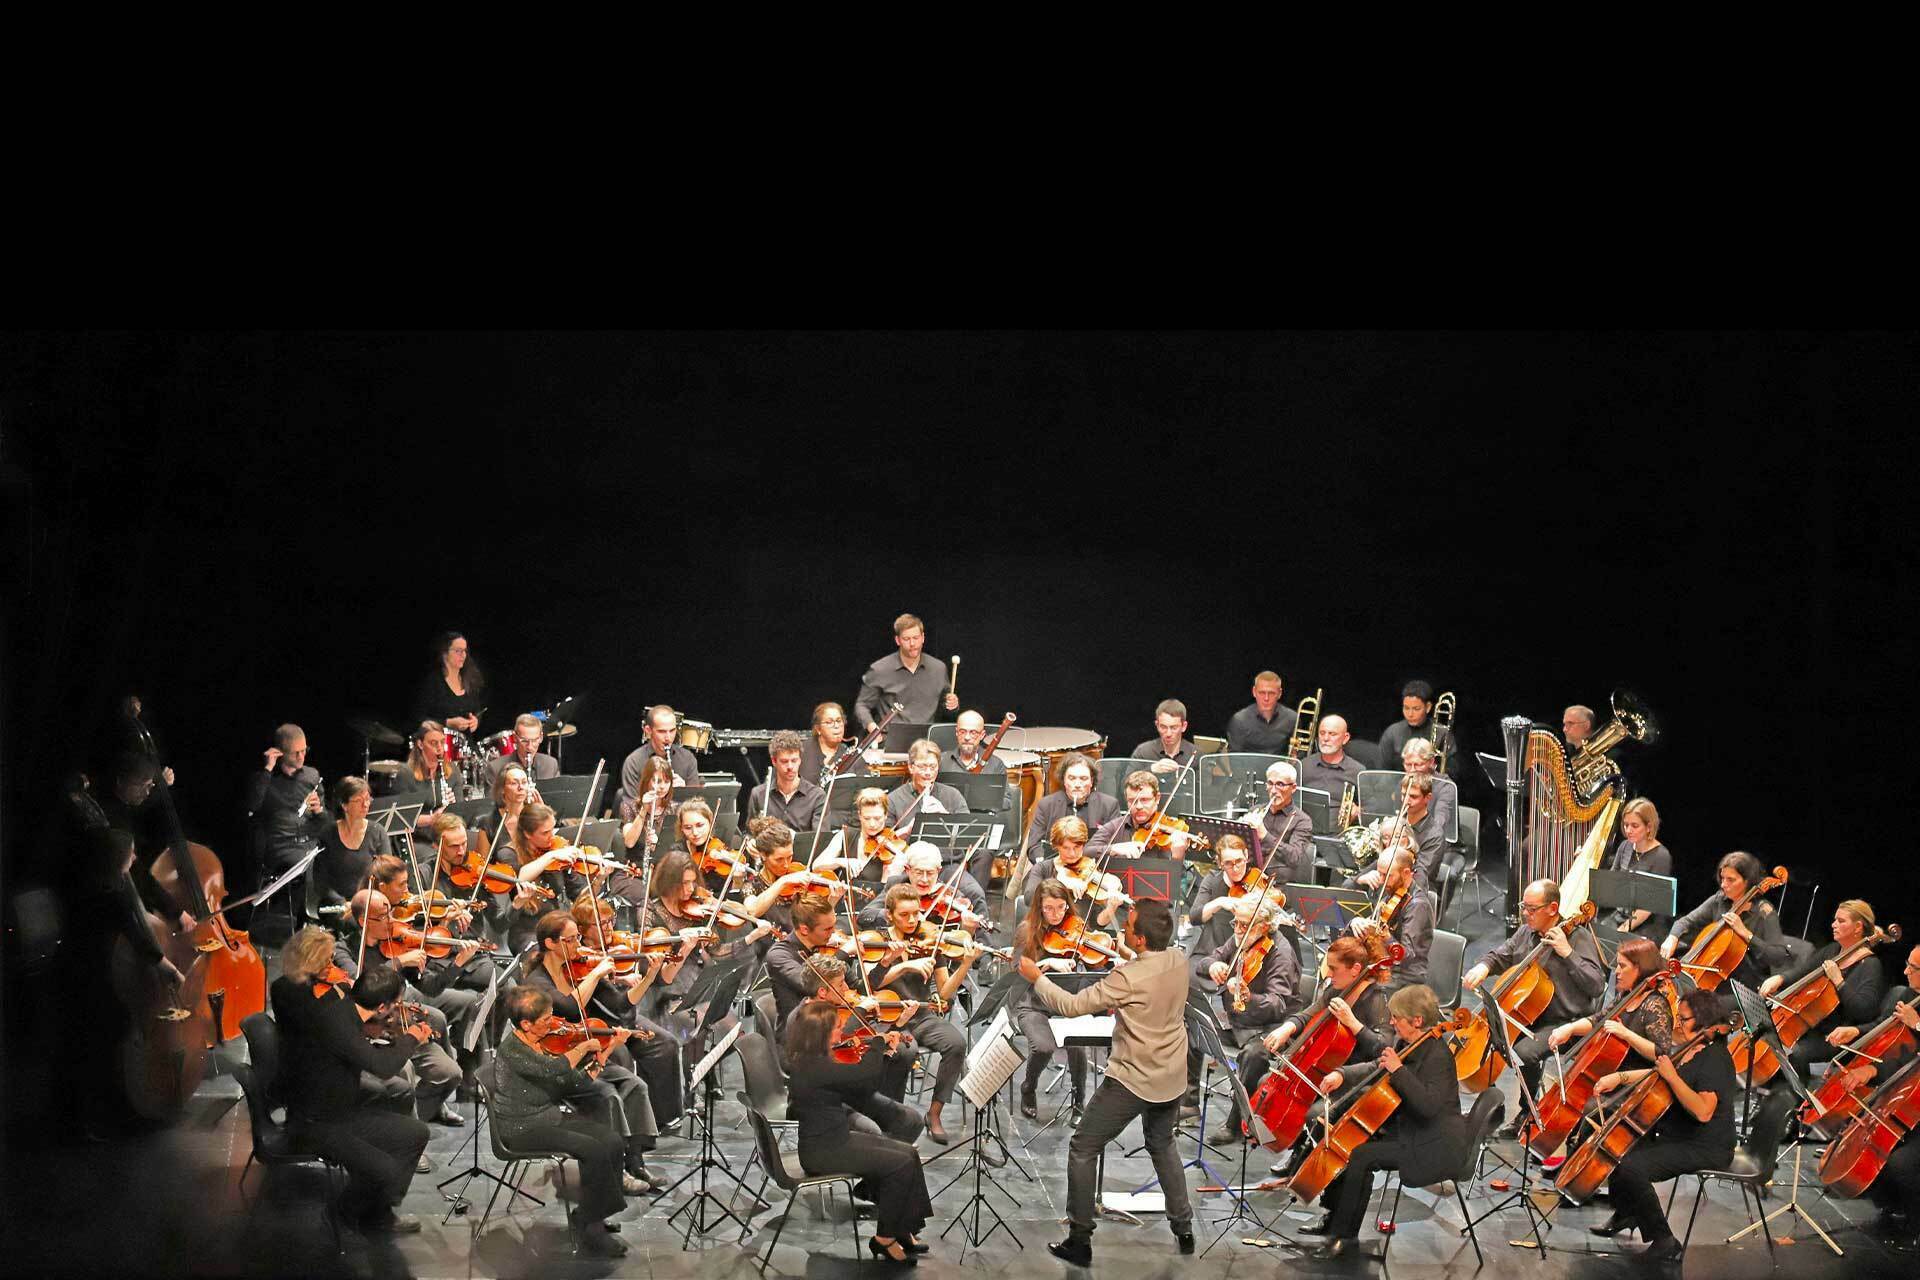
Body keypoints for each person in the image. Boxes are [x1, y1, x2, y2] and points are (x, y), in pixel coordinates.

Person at [1018, 897, 1194, 1265]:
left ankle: (1079, 1240)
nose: (1123, 930)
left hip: (1134, 1078)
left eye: (1128, 927)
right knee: (1162, 1143)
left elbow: (1071, 1006)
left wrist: (1038, 978)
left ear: (1141, 939)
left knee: (1083, 1146)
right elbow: (1148, 967)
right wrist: (1125, 953)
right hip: (1172, 1075)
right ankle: (1184, 1227)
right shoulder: (1179, 959)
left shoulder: (1126, 978)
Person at [271, 926, 432, 1235]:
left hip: (339, 1106)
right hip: (318, 1121)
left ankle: (378, 1211)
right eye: (326, 962)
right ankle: (341, 1213)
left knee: (416, 1132)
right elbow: (381, 1066)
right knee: (385, 1168)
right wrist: (411, 1037)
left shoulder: (340, 1005)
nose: (333, 968)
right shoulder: (328, 1014)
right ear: (382, 1007)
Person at [1290, 984, 1467, 1262]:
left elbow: (1428, 1108)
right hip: (1408, 1128)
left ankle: (1344, 1237)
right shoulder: (1407, 1042)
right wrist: (1342, 1074)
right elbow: (1378, 1065)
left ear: (1417, 1020)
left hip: (1430, 1143)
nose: (1392, 1022)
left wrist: (1399, 1070)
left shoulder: (1438, 1056)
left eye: (1397, 1017)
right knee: (1347, 1141)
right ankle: (1333, 1218)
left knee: (1361, 1156)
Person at [515, 911, 667, 1191]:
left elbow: (621, 1003)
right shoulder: (537, 982)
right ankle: (612, 1171)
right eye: (571, 940)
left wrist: (649, 976)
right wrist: (596, 974)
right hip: (557, 1064)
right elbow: (569, 1007)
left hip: (587, 1056)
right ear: (550, 943)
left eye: (577, 938)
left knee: (636, 1086)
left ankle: (635, 1163)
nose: (579, 944)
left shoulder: (578, 970)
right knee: (607, 1095)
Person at [1586, 987, 1737, 1263]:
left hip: (1706, 1145)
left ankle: (1664, 1239)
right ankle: (1627, 1213)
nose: (1677, 1024)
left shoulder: (1715, 1059)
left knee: (1632, 1167)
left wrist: (1672, 1077)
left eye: (1684, 1019)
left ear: (1704, 1021)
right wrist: (1619, 1078)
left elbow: (1703, 1111)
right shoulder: (1693, 1048)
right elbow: (1659, 1073)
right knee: (1620, 1146)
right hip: (1680, 1133)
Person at [784, 1000, 936, 1265]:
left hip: (834, 1139)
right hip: (824, 1151)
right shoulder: (816, 1067)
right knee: (899, 1164)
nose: (842, 1030)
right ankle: (884, 1239)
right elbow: (864, 1076)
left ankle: (903, 1228)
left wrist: (881, 1053)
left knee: (909, 1154)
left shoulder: (812, 1061)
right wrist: (877, 1044)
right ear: (821, 1034)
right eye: (837, 1027)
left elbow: (860, 1087)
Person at [493, 985, 634, 1256]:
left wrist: (606, 1051)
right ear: (526, 1024)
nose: (554, 1025)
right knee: (593, 1150)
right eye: (546, 1020)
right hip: (521, 1127)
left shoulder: (541, 1043)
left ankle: (590, 1214)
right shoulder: (513, 1049)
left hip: (547, 1116)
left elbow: (573, 1082)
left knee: (612, 1140)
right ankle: (592, 1228)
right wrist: (582, 1047)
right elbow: (555, 1068)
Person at [1464, 878, 1606, 1131]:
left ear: (1552, 909)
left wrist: (1567, 953)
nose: (1525, 914)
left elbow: (1596, 985)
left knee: (1521, 1053)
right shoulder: (1527, 933)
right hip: (1530, 1015)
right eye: (1524, 907)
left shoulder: (1578, 938)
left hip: (1566, 1022)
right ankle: (1492, 1108)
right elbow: (1501, 955)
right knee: (1495, 1040)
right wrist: (1483, 966)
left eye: (1532, 909)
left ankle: (1528, 1112)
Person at [1242, 937, 1392, 1178]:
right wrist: (1286, 1029)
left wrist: (1352, 1022)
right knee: (1265, 1083)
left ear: (1355, 969)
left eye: (1334, 968)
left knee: (1315, 1114)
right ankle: (1289, 1142)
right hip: (1321, 1068)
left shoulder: (1376, 1001)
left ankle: (1305, 1160)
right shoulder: (1336, 990)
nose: (1328, 974)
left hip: (1354, 1077)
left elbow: (1383, 1050)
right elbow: (1307, 1015)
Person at [868, 882, 977, 1142]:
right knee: (904, 1052)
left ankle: (934, 1113)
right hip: (888, 1018)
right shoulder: (878, 942)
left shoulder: (930, 940)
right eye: (904, 915)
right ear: (889, 915)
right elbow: (870, 982)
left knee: (956, 1043)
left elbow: (945, 992)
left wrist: (965, 964)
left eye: (916, 913)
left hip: (922, 1015)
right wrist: (906, 966)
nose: (912, 920)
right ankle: (893, 1116)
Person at [1194, 897, 1298, 1144]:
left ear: (1264, 927)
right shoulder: (1241, 938)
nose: (1238, 929)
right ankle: (1188, 1103)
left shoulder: (1281, 953)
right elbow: (1206, 961)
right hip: (1237, 1019)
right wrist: (1214, 966)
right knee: (1193, 1026)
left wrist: (1250, 997)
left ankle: (1236, 1124)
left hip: (1269, 1026)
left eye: (1244, 925)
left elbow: (1278, 1004)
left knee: (1254, 1056)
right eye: (1236, 923)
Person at [1759, 899, 1887, 1082]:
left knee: (1797, 1053)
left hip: (1836, 1035)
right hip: (1813, 1024)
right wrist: (1780, 978)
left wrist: (1839, 981)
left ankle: (1799, 1097)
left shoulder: (1870, 965)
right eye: (1835, 920)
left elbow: (1863, 1010)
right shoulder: (1833, 950)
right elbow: (1804, 971)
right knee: (1769, 1035)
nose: (1833, 925)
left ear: (1858, 927)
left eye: (1841, 921)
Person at [1015, 881, 1092, 1118]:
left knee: (1077, 1046)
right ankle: (1028, 1087)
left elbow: (1092, 963)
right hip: (1033, 1003)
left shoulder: (1074, 927)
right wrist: (1047, 963)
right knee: (1043, 1047)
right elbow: (1017, 971)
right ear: (1039, 906)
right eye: (1049, 908)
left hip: (1065, 1002)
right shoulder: (1026, 930)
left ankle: (1079, 1100)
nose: (1056, 914)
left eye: (1061, 907)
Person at [1661, 851, 1789, 992]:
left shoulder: (1765, 912)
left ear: (1748, 881)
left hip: (1744, 985)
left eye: (1730, 880)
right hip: (1714, 978)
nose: (1723, 884)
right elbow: (1685, 921)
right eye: (1722, 878)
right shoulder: (1720, 900)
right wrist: (1672, 937)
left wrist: (1746, 934)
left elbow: (1779, 956)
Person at [1544, 937, 1675, 1071]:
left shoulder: (1656, 1005)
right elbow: (1599, 1020)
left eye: (1622, 966)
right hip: (1608, 1067)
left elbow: (1661, 1054)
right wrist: (1570, 1029)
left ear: (1640, 969)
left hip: (1630, 1077)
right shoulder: (1627, 995)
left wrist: (1626, 1034)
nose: (1616, 971)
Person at [244, 723, 328, 894]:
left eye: (304, 750)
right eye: (295, 752)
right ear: (280, 752)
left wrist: (319, 811)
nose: (301, 756)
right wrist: (268, 769)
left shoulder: (312, 775)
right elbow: (251, 807)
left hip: (309, 844)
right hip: (281, 847)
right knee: (312, 868)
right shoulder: (265, 779)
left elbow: (322, 822)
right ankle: (309, 909)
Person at [854, 612, 959, 732]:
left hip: (926, 739)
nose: (912, 644)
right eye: (906, 639)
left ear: (923, 638)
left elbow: (946, 707)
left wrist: (953, 704)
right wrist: (873, 728)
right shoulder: (880, 670)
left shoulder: (938, 669)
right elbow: (861, 705)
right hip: (890, 738)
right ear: (897, 640)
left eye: (916, 638)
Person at [1351, 844, 1433, 993]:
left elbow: (1408, 955)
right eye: (1380, 874)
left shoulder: (1417, 906)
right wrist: (1357, 922)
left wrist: (1387, 938)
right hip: (1383, 965)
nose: (1382, 881)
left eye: (1388, 876)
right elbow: (1372, 922)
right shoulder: (1391, 893)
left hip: (1404, 977)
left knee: (1357, 988)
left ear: (1406, 873)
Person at [1345, 774, 1447, 894]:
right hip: (1383, 886)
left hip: (1414, 894)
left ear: (1427, 798)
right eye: (1404, 795)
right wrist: (1362, 878)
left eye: (1413, 796)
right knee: (1348, 887)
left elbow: (1421, 877)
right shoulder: (1394, 825)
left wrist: (1398, 852)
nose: (1406, 801)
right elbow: (1350, 883)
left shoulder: (1434, 835)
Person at [859, 842, 989, 935]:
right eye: (919, 872)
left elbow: (960, 943)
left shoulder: (953, 897)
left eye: (930, 873)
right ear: (907, 870)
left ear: (938, 871)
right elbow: (864, 916)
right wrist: (895, 916)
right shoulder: (896, 884)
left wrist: (967, 928)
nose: (925, 879)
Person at [1020, 818, 1122, 931]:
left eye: (1077, 847)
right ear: (1056, 846)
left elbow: (1095, 923)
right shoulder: (1043, 868)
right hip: (1047, 932)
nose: (1072, 853)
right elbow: (1029, 898)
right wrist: (1062, 884)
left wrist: (1110, 909)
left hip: (1079, 935)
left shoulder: (1089, 869)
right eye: (1066, 848)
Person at [1019, 753, 1120, 866]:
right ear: (1064, 780)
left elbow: (1115, 844)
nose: (1077, 784)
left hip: (1095, 866)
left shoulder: (1109, 805)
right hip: (1054, 867)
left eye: (1083, 779)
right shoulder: (1047, 805)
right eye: (1072, 778)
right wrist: (1046, 865)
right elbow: (1034, 844)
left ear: (1091, 781)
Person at [314, 776, 390, 911]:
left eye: (368, 799)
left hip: (369, 903)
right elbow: (321, 882)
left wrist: (366, 901)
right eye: (359, 800)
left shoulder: (377, 832)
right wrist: (342, 903)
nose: (366, 804)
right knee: (352, 921)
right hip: (337, 905)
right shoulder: (327, 834)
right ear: (344, 805)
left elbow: (386, 873)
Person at [1185, 834, 1266, 955]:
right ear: (1220, 863)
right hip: (1211, 950)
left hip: (1245, 953)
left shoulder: (1257, 881)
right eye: (1228, 863)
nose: (1236, 868)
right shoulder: (1212, 880)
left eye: (1239, 861)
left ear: (1246, 855)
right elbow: (1194, 918)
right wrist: (1220, 902)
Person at [1087, 770, 1191, 860]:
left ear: (1157, 799)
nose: (1139, 806)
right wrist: (1113, 849)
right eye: (1132, 801)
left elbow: (1180, 873)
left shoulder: (1172, 828)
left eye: (1145, 800)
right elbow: (1086, 851)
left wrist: (1178, 856)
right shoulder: (1116, 827)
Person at [1607, 798, 1673, 939]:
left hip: (1647, 923)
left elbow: (1649, 905)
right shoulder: (1625, 846)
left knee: (1619, 945)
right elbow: (1612, 880)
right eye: (1626, 825)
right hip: (1622, 915)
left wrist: (1624, 928)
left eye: (1635, 826)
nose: (1628, 830)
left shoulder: (1661, 856)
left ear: (1649, 827)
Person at [883, 740, 970, 833]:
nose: (928, 773)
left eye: (933, 767)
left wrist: (945, 816)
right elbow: (882, 839)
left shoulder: (953, 796)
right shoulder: (892, 799)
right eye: (922, 767)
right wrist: (907, 830)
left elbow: (968, 831)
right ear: (911, 767)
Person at [747, 730, 827, 831]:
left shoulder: (817, 797)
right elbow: (750, 833)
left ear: (800, 760)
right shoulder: (759, 795)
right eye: (784, 761)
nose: (790, 766)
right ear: (774, 761)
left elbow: (820, 838)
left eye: (794, 760)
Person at [1250, 760, 1314, 886]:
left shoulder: (1302, 820)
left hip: (1278, 883)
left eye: (1280, 784)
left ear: (1293, 788)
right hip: (1249, 876)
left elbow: (1294, 857)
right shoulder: (1255, 811)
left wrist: (1265, 836)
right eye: (1270, 783)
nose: (1274, 790)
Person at [619, 705, 703, 800]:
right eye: (662, 731)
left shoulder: (688, 759)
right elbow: (630, 805)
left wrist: (684, 791)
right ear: (648, 731)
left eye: (672, 730)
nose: (668, 738)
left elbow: (696, 803)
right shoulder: (634, 762)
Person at [394, 721, 459, 836]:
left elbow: (461, 811)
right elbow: (403, 817)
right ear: (420, 744)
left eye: (442, 742)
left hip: (446, 833)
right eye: (433, 743)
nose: (440, 748)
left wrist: (454, 806)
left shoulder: (452, 770)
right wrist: (431, 819)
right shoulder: (406, 774)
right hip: (418, 836)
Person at [413, 631, 484, 734]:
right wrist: (447, 723)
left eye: (465, 651)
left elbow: (477, 710)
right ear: (444, 653)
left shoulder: (469, 680)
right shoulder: (432, 682)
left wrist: (475, 721)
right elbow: (418, 718)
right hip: (440, 741)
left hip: (465, 742)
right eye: (458, 651)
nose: (463, 655)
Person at [1297, 714, 1365, 811]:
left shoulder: (1358, 771)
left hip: (1339, 821)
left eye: (1332, 734)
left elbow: (1368, 809)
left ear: (1345, 738)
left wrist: (1358, 811)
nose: (1325, 739)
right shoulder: (1303, 765)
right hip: (1305, 820)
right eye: (1322, 733)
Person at [1397, 738, 1458, 841]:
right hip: (1408, 839)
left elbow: (1440, 823)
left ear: (1431, 762)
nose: (1412, 770)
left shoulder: (1446, 787)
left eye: (1418, 764)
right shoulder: (1403, 783)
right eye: (1408, 764)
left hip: (1439, 842)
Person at [616, 756, 678, 857]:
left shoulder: (675, 809)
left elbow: (678, 846)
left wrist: (658, 844)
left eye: (667, 782)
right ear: (647, 781)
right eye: (658, 781)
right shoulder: (629, 806)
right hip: (636, 863)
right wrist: (644, 809)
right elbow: (629, 842)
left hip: (664, 862)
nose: (662, 787)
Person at [1226, 670, 1295, 756]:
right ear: (1254, 692)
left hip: (1281, 765)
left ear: (1279, 693)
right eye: (1262, 693)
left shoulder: (1292, 719)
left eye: (1271, 693)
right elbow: (1234, 759)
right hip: (1249, 765)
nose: (1266, 698)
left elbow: (1299, 755)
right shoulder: (1239, 721)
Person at [1376, 680, 1437, 770]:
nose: (1410, 714)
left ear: (1428, 707)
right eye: (1406, 708)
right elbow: (1381, 770)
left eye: (1416, 709)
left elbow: (1451, 771)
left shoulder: (1440, 732)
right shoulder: (1392, 733)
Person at [486, 713, 560, 787]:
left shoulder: (551, 764)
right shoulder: (496, 769)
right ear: (515, 737)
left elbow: (557, 793)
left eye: (534, 740)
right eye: (524, 741)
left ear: (541, 738)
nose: (529, 747)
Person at [1130, 699, 1197, 775]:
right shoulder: (1143, 752)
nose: (1168, 734)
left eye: (1174, 728)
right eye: (1163, 727)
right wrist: (1151, 769)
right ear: (1157, 725)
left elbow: (1204, 782)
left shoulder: (1196, 754)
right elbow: (1127, 781)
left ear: (1184, 726)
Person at [801, 701, 853, 783]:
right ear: (818, 728)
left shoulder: (851, 754)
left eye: (839, 721)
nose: (836, 726)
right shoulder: (802, 750)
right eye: (829, 722)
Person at [943, 710, 1007, 773]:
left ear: (982, 735)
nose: (967, 737)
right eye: (962, 732)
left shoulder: (996, 765)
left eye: (973, 733)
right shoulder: (941, 761)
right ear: (957, 732)